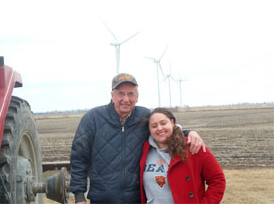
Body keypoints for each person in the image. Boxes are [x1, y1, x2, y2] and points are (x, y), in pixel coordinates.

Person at [70, 73, 205, 204]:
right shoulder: (93, 118)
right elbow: (79, 158)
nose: (126, 99)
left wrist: (189, 132)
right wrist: (79, 196)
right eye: (121, 94)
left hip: (136, 198)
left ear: (137, 97)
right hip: (102, 199)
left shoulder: (144, 116)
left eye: (131, 94)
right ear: (112, 96)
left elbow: (165, 130)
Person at [140, 107, 226, 204]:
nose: (159, 128)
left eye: (163, 123)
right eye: (154, 126)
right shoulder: (143, 150)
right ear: (149, 130)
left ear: (172, 122)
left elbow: (217, 179)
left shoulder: (193, 146)